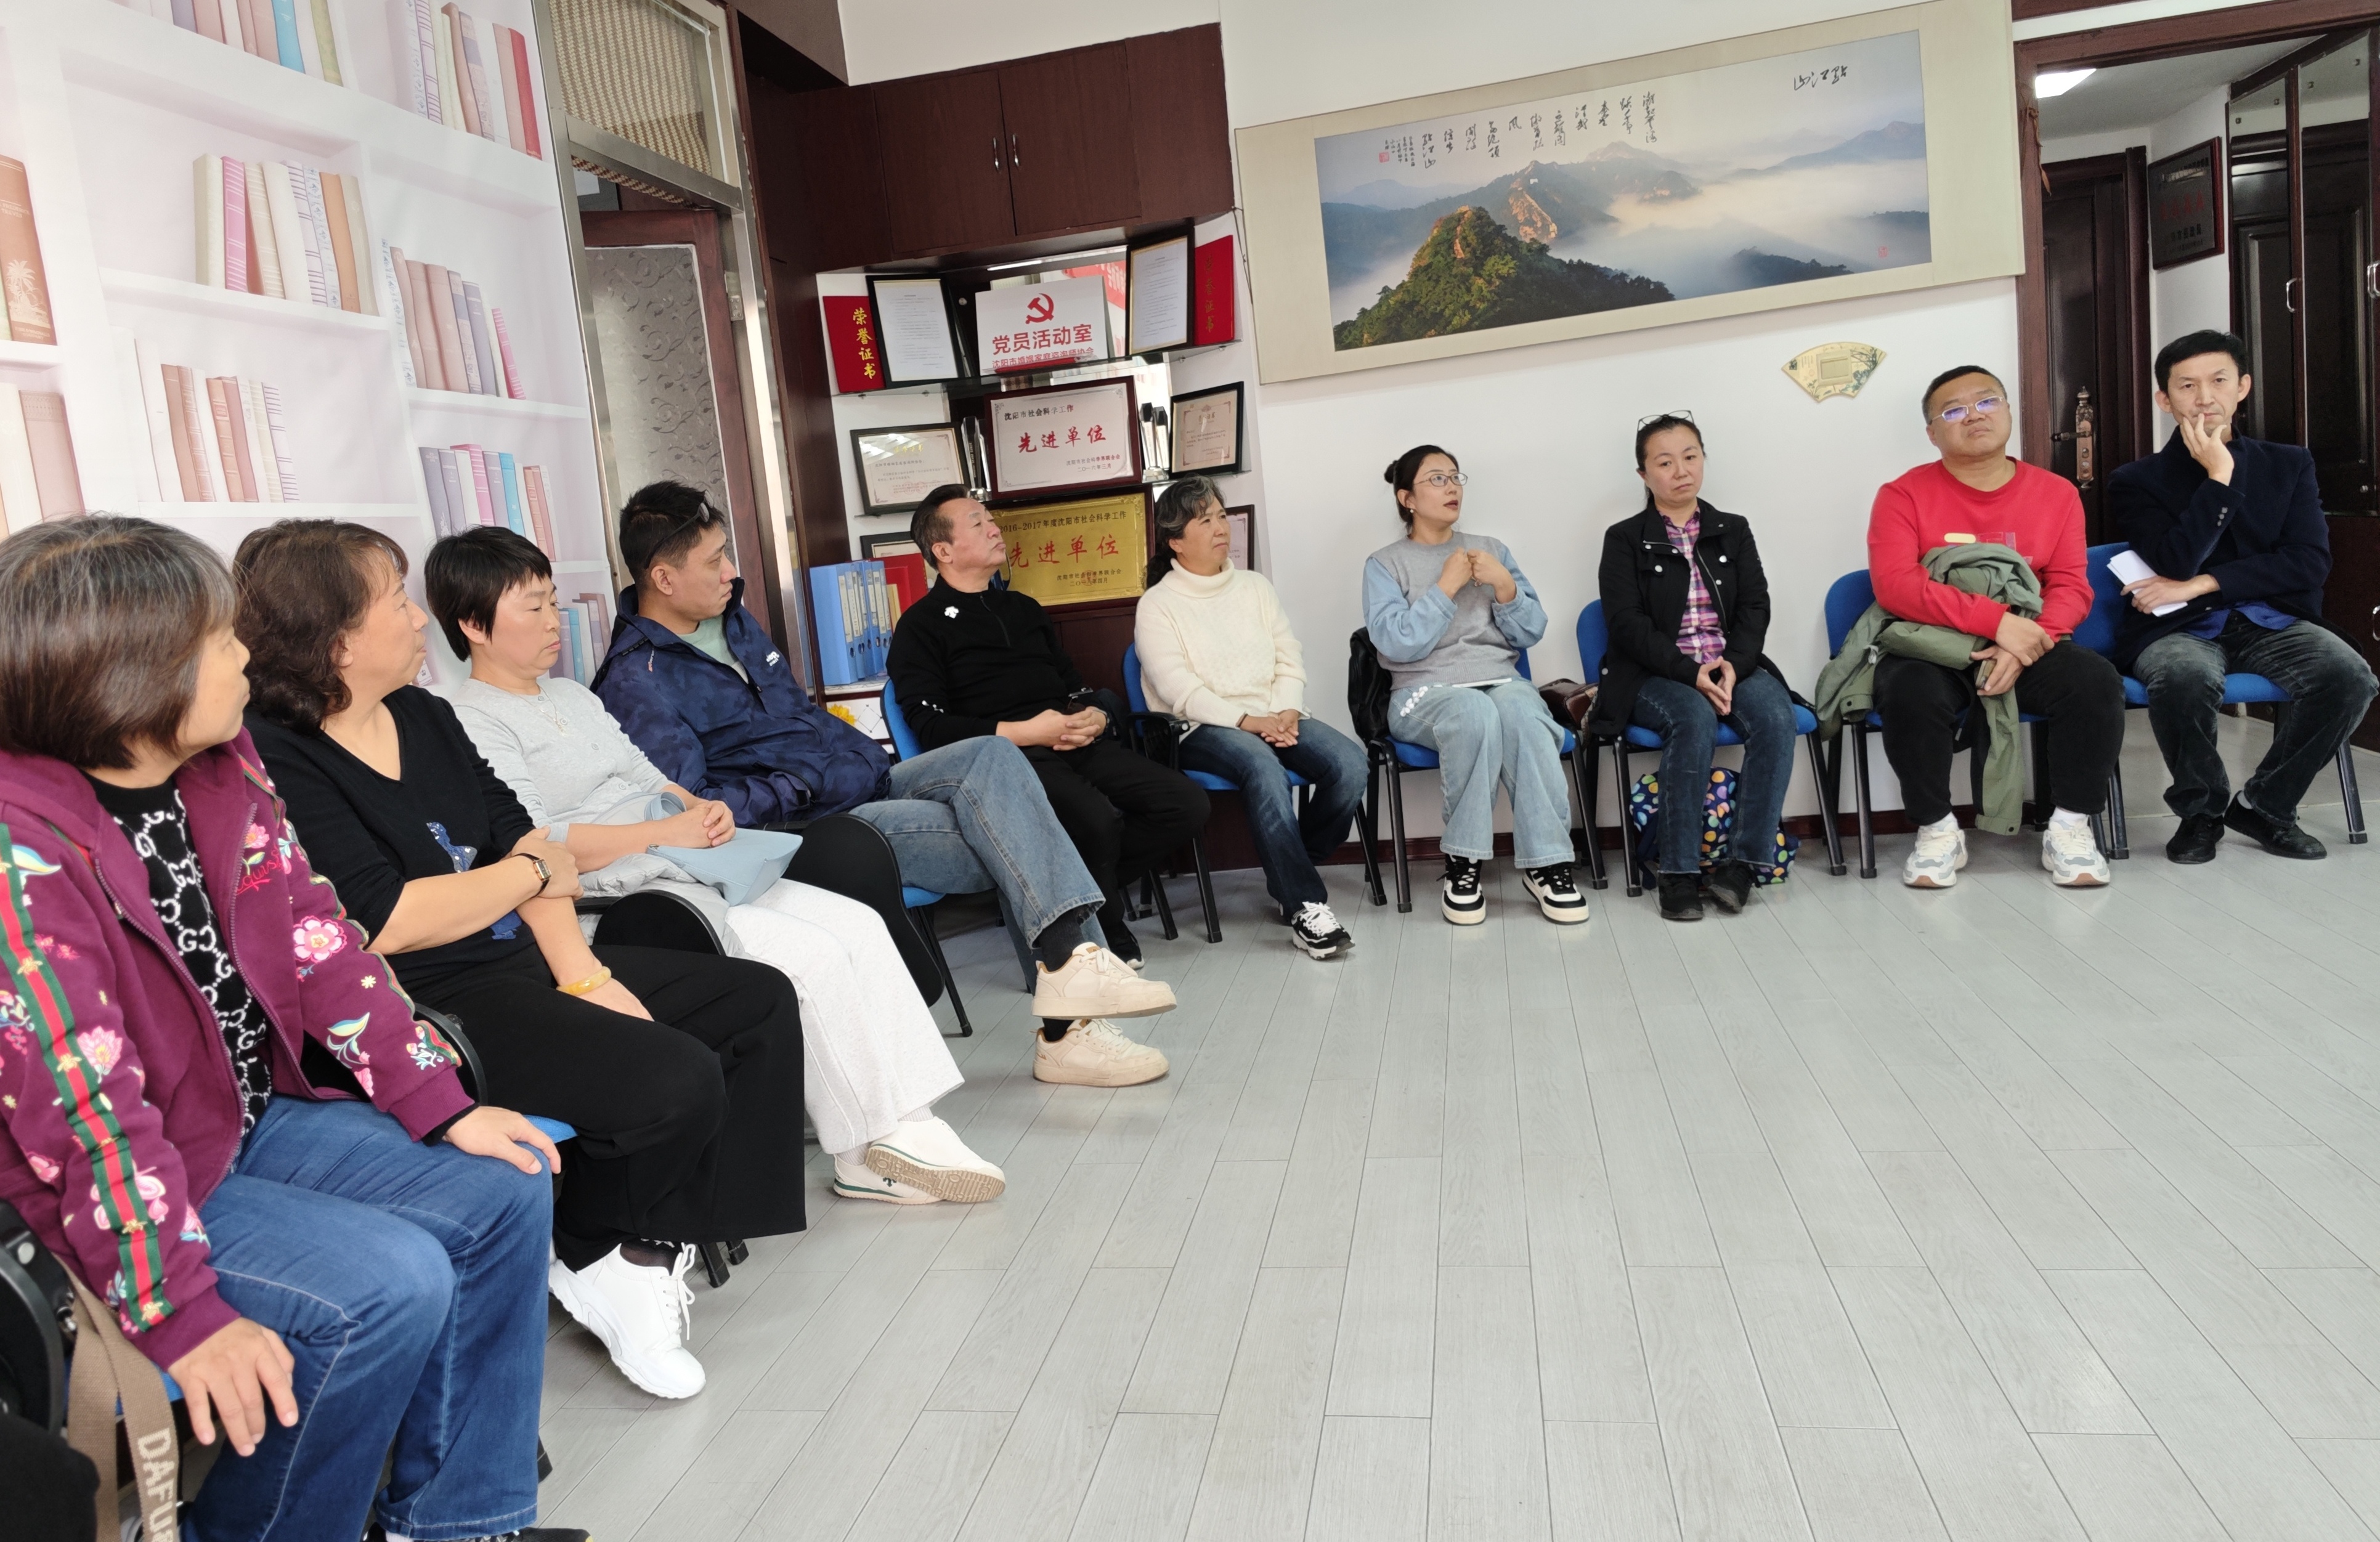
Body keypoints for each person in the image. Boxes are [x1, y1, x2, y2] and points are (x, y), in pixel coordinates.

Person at [0, 517, 576, 1542]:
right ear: (133, 672)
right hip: (100, 1183)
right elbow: (84, 1109)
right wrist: (178, 1308)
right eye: (221, 638)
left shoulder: (223, 766)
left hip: (233, 1119)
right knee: (385, 1285)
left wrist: (441, 1104)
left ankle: (459, 1520)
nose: (246, 657)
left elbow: (321, 942)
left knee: (505, 1180)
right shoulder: (21, 848)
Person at [235, 519, 804, 1402]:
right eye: (394, 600)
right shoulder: (275, 752)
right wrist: (527, 873)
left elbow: (533, 844)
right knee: (675, 1077)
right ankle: (604, 1248)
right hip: (423, 998)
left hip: (520, 953)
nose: (418, 617)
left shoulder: (426, 714)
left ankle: (639, 1242)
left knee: (754, 1002)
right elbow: (389, 921)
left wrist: (584, 975)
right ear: (333, 635)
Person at [429, 526, 1004, 1206]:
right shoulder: (467, 720)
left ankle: (913, 1118)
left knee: (856, 925)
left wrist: (703, 810)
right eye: (533, 607)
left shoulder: (572, 697)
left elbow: (651, 777)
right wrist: (660, 831)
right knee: (807, 956)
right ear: (473, 625)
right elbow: (534, 843)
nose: (554, 621)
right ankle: (864, 1150)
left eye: (554, 601)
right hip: (620, 896)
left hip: (686, 860)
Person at [593, 481, 1171, 1089]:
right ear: (663, 577)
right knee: (1007, 828)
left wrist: (853, 754)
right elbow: (694, 810)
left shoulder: (733, 623)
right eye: (714, 561)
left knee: (994, 757)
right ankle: (1070, 1021)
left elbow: (801, 717)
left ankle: (1073, 984)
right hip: (810, 826)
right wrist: (805, 782)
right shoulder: (636, 682)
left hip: (862, 783)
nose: (731, 573)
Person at [885, 485, 1213, 966]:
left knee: (1185, 803)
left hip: (1072, 739)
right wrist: (1026, 732)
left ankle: (1079, 894)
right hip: (1007, 760)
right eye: (977, 523)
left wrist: (1096, 716)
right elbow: (931, 728)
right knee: (1095, 819)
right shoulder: (920, 626)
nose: (994, 528)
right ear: (943, 551)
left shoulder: (1023, 608)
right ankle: (1106, 927)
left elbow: (1074, 686)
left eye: (989, 519)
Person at [2109, 328, 2378, 862]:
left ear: (2242, 387)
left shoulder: (2289, 464)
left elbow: (2308, 561)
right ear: (2164, 399)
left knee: (2348, 676)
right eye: (2186, 385)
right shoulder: (2135, 480)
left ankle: (2266, 806)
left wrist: (2205, 583)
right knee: (2182, 676)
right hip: (2177, 624)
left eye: (2218, 381)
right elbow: (2173, 561)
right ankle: (2200, 812)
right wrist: (2220, 476)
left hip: (2270, 618)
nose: (2203, 397)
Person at [1868, 365, 2124, 889]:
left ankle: (2069, 828)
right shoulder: (1902, 495)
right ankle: (1937, 830)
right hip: (1934, 646)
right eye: (1953, 410)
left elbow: (2070, 585)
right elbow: (1895, 587)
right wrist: (1996, 623)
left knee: (2093, 681)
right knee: (1907, 690)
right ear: (1932, 432)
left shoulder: (2055, 493)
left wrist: (2026, 641)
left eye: (1986, 402)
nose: (1974, 416)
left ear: (2008, 411)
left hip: (2029, 640)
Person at [1134, 476, 1365, 957]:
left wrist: (1286, 708)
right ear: (1176, 540)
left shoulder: (1255, 587)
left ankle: (1293, 865)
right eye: (1204, 520)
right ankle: (1304, 904)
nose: (1221, 527)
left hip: (1273, 713)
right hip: (1200, 727)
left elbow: (1287, 654)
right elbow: (1179, 689)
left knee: (1349, 763)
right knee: (1261, 764)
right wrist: (1247, 721)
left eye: (1221, 515)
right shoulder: (1157, 604)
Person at [1362, 445, 1589, 926]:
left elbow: (1530, 631)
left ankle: (1547, 864)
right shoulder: (1384, 564)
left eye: (1454, 477)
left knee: (1525, 714)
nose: (1451, 487)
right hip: (1422, 692)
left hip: (1500, 680)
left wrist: (1505, 587)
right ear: (1406, 498)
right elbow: (1394, 644)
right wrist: (1445, 587)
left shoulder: (1491, 549)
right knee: (1473, 712)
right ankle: (1462, 864)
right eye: (1436, 479)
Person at [1591, 413, 1798, 921]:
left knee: (1776, 717)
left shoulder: (1733, 529)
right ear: (1643, 475)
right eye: (1664, 462)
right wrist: (1690, 673)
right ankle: (1678, 871)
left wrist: (1733, 665)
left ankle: (1743, 866)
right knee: (1693, 717)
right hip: (1654, 671)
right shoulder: (1623, 538)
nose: (1680, 470)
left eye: (1690, 456)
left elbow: (1755, 606)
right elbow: (1626, 624)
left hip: (1729, 663)